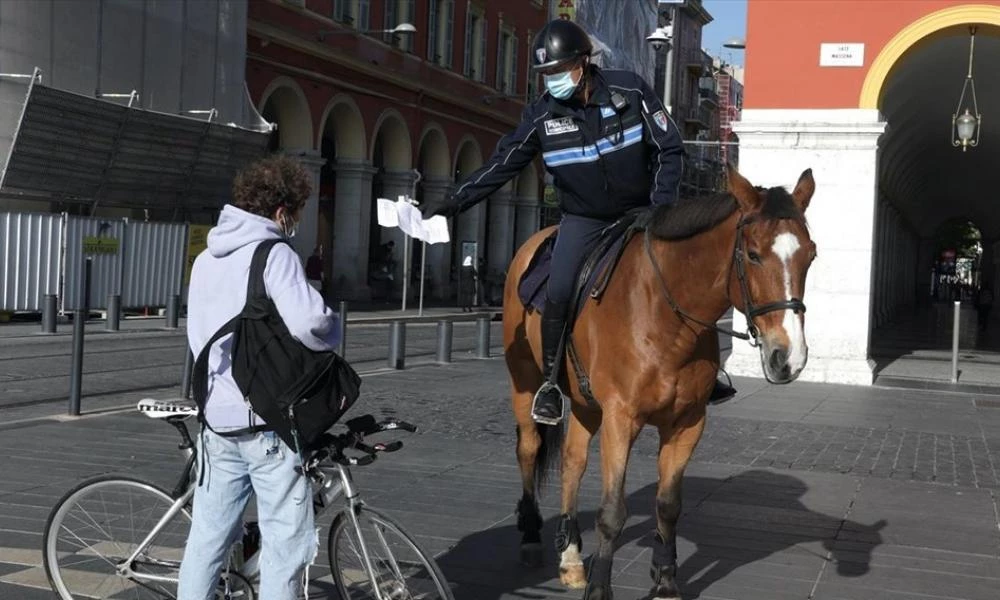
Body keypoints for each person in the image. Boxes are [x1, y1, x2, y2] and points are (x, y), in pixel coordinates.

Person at [419, 19, 735, 424]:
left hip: (643, 212)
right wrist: (452, 202)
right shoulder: (541, 115)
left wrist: (659, 207)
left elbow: (669, 149)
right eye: (545, 73)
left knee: (682, 279)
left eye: (557, 69)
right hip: (584, 219)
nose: (552, 79)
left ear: (583, 63)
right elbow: (502, 165)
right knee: (561, 286)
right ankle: (551, 384)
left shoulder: (631, 90)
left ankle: (709, 372)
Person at [179, 155, 342, 600]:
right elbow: (310, 324)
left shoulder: (206, 259)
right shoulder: (275, 255)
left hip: (216, 419)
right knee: (283, 548)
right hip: (266, 421)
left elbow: (197, 335)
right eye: (297, 213)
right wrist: (333, 323)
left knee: (207, 543)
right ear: (281, 211)